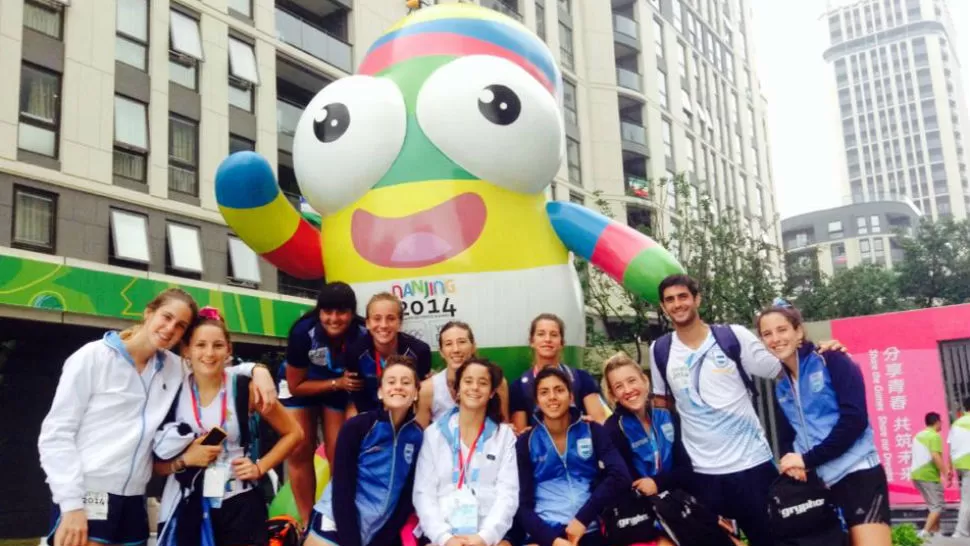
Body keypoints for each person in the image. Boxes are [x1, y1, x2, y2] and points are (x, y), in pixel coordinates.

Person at [37, 288, 278, 546]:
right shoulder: (93, 357)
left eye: (180, 326)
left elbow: (212, 362)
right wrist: (71, 505)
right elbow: (56, 435)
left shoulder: (172, 367)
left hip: (134, 499)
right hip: (90, 492)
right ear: (149, 313)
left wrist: (257, 369)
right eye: (166, 317)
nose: (170, 328)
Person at [649, 275, 844, 546]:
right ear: (662, 306)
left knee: (771, 540)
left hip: (751, 465)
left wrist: (820, 352)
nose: (677, 304)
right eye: (670, 299)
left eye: (683, 296)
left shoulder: (731, 337)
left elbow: (783, 366)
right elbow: (660, 404)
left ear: (697, 299)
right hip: (701, 472)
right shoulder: (660, 349)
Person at [155, 307, 303, 545]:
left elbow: (294, 433)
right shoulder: (172, 392)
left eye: (218, 345)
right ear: (187, 350)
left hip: (240, 503)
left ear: (229, 350)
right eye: (200, 345)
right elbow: (155, 465)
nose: (209, 354)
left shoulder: (244, 388)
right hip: (189, 504)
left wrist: (260, 467)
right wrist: (184, 461)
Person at [757, 304, 891, 546]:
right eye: (767, 334)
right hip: (820, 485)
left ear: (798, 332)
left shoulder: (832, 360)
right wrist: (793, 461)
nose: (775, 339)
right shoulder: (782, 387)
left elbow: (855, 420)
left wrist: (807, 460)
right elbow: (789, 436)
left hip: (858, 473)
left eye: (782, 330)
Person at [305, 355, 424, 546]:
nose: (398, 386)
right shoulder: (358, 426)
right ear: (380, 392)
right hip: (336, 521)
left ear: (416, 393)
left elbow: (406, 496)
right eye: (391, 381)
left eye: (406, 382)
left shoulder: (417, 436)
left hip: (376, 530)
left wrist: (384, 538)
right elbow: (342, 488)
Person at [280, 282, 367, 524]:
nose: (334, 318)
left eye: (341, 312)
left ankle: (334, 514)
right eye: (327, 312)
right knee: (299, 449)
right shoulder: (302, 332)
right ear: (319, 312)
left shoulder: (362, 333)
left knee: (339, 452)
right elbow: (296, 385)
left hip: (339, 388)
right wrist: (336, 383)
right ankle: (308, 522)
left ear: (352, 313)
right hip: (302, 385)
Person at [515, 367, 630, 546]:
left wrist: (582, 520)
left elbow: (621, 476)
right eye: (544, 392)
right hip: (546, 533)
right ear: (537, 401)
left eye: (559, 390)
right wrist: (552, 540)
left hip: (590, 527)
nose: (552, 397)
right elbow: (522, 505)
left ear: (571, 397)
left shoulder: (592, 431)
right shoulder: (526, 442)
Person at [412, 358, 519, 546]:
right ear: (457, 390)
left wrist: (484, 537)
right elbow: (423, 493)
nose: (475, 387)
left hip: (489, 537)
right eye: (468, 381)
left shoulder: (504, 436)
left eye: (483, 383)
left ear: (492, 392)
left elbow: (507, 495)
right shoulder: (433, 435)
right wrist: (444, 538)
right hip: (442, 536)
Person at [602, 353, 691, 501]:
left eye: (632, 381)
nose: (628, 389)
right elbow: (622, 480)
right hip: (642, 508)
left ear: (645, 381)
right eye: (619, 386)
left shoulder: (667, 415)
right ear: (613, 395)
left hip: (678, 500)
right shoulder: (613, 428)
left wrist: (658, 483)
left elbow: (686, 468)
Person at [509, 314, 605, 434]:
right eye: (541, 334)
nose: (547, 339)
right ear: (531, 341)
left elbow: (600, 422)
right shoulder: (519, 387)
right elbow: (520, 434)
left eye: (554, 335)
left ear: (562, 343)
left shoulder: (581, 378)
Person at [345, 292, 432, 417]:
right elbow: (358, 396)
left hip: (409, 413)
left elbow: (421, 394)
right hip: (370, 412)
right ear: (368, 323)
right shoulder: (355, 351)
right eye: (377, 318)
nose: (384, 325)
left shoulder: (419, 351)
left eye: (391, 318)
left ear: (400, 323)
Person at [416, 321, 509, 426]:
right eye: (448, 344)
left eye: (462, 342)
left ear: (473, 346)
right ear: (441, 352)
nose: (456, 349)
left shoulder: (496, 382)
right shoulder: (427, 390)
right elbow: (420, 437)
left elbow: (503, 427)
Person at [911, 411, 949, 539]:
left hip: (917, 475)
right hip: (928, 475)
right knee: (937, 505)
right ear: (937, 422)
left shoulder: (919, 435)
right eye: (941, 422)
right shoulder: (934, 436)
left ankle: (936, 532)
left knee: (933, 505)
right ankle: (924, 532)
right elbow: (935, 456)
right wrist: (945, 472)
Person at [948, 397, 970, 538]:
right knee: (967, 500)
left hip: (961, 465)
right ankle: (960, 531)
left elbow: (951, 446)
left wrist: (950, 469)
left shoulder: (956, 423)